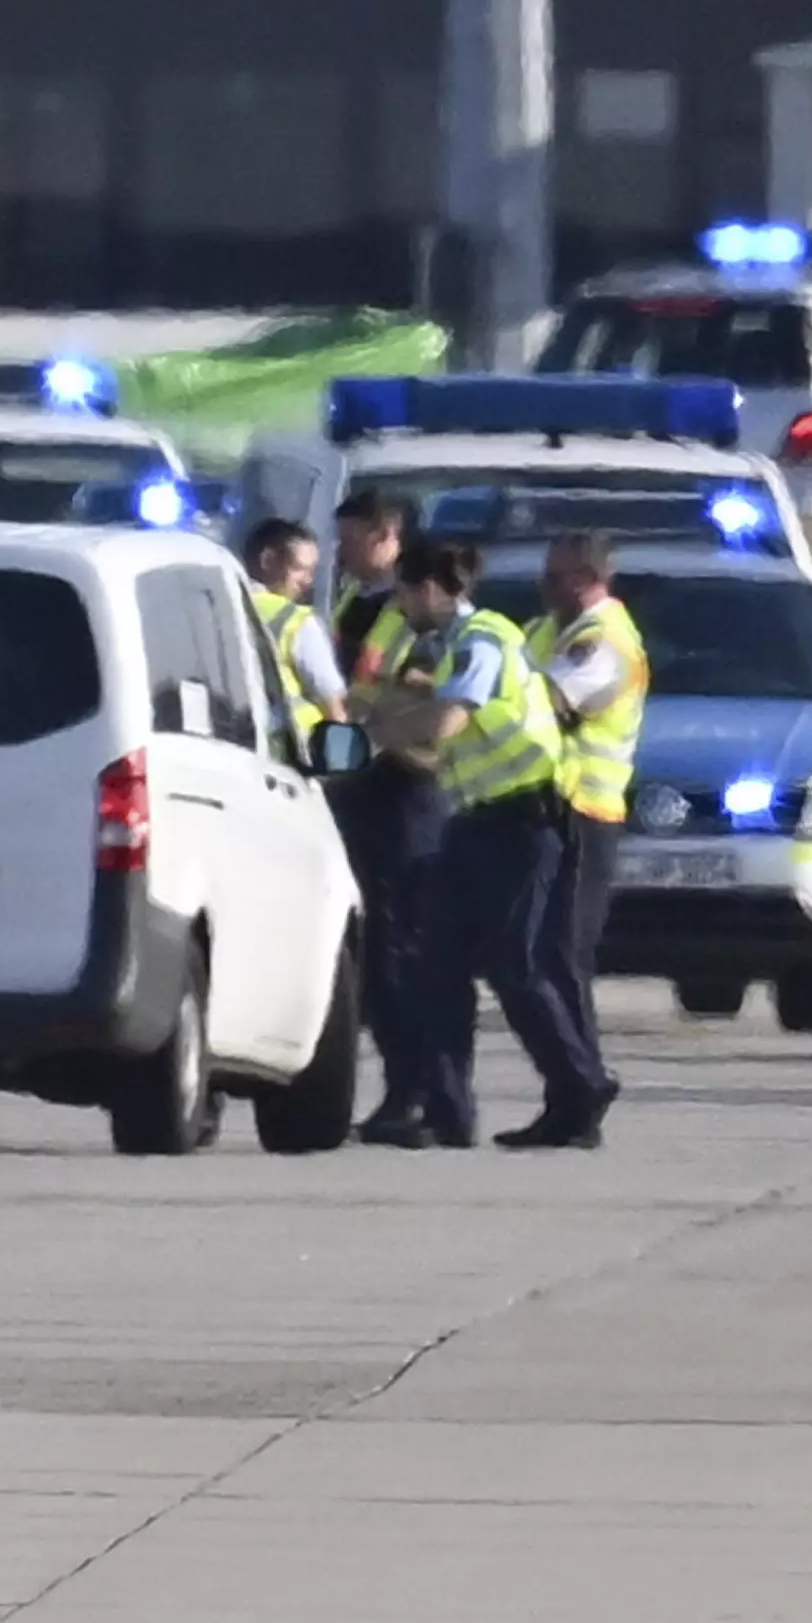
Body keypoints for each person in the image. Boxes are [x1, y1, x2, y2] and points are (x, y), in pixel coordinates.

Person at [366, 538, 614, 1150]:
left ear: (428, 588)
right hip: (477, 822)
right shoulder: (449, 646)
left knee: (518, 966)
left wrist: (383, 727)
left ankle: (580, 1089)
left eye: (402, 591)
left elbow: (449, 721)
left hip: (523, 820)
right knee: (435, 962)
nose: (398, 604)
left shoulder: (484, 639)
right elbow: (437, 732)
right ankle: (449, 1110)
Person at [321, 489, 444, 1139]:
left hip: (406, 790)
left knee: (399, 949)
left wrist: (370, 720)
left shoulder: (415, 611)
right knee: (369, 950)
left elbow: (423, 697)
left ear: (386, 534)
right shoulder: (360, 601)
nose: (341, 552)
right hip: (359, 786)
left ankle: (417, 1093)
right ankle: (403, 1089)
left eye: (350, 539)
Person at [535, 528, 653, 1033]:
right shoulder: (553, 629)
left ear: (587, 578)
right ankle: (572, 1084)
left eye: (554, 575)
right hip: (553, 808)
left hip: (587, 812)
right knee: (545, 951)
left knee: (565, 953)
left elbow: (547, 702)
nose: (543, 584)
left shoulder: (605, 642)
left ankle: (584, 1078)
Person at [241, 515, 346, 739]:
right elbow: (333, 703)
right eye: (300, 569)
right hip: (294, 755)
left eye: (311, 571)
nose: (308, 581)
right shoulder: (296, 622)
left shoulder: (218, 609)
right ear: (268, 561)